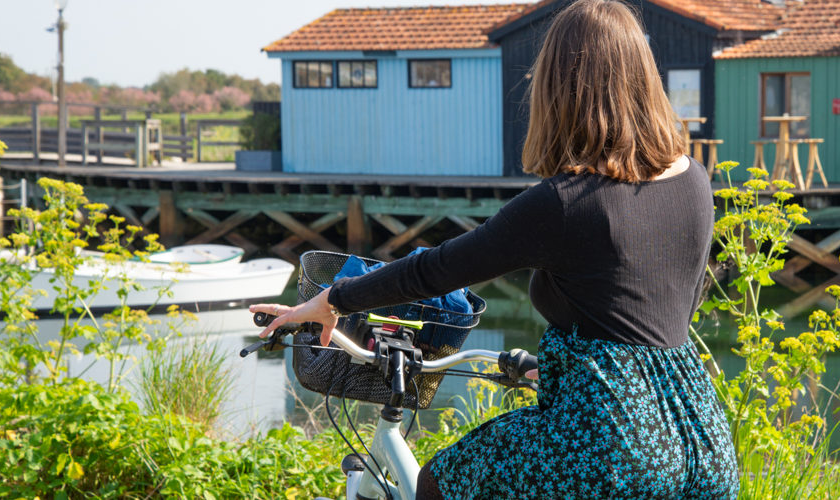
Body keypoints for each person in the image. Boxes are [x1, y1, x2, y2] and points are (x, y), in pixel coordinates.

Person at [250, 0, 738, 497]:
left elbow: (435, 271)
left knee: (442, 482)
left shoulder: (565, 203)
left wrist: (333, 298)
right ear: (644, 77)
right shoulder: (695, 179)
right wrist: (566, 374)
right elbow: (659, 309)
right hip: (701, 435)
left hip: (615, 446)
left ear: (559, 88)